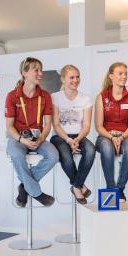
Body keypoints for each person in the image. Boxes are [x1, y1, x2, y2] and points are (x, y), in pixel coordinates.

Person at [5, 57, 59, 207]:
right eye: (36, 70)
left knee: (54, 155)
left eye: (41, 70)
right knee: (16, 154)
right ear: (25, 73)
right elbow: (9, 126)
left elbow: (48, 123)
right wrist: (22, 140)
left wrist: (41, 138)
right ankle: (36, 192)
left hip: (38, 137)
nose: (40, 73)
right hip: (18, 138)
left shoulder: (45, 96)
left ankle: (24, 188)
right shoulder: (12, 96)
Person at [50, 65, 95, 204]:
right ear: (63, 79)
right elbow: (56, 124)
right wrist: (69, 140)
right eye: (71, 77)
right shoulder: (55, 97)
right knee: (67, 157)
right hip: (60, 136)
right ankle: (80, 186)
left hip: (79, 135)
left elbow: (87, 125)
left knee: (91, 150)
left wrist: (77, 139)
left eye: (77, 76)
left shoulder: (86, 99)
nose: (75, 80)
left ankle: (76, 185)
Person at [94, 62, 128, 201]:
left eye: (125, 73)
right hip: (105, 135)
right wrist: (112, 137)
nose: (124, 76)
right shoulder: (101, 97)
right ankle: (111, 188)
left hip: (125, 135)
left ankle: (119, 189)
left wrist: (120, 137)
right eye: (120, 73)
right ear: (111, 76)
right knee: (107, 149)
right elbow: (99, 126)